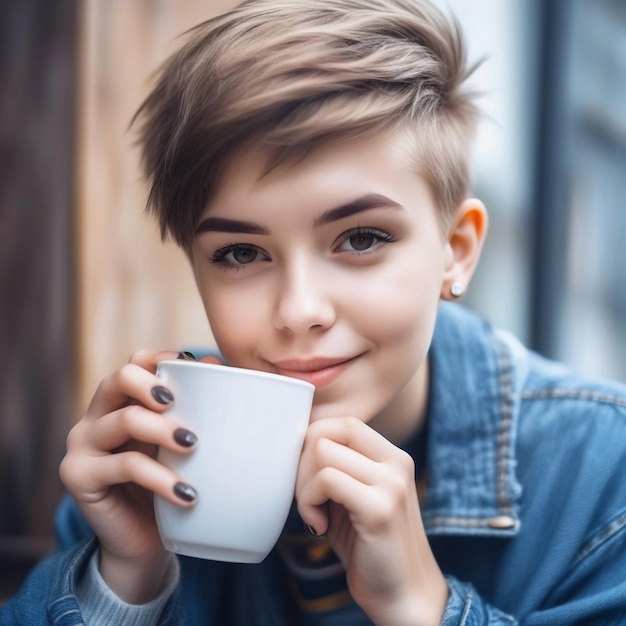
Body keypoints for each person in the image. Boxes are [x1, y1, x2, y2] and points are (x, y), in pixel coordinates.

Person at [3, 0, 626, 623]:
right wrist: (124, 583)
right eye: (241, 253)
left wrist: (421, 607)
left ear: (455, 252)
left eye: (361, 239)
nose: (300, 311)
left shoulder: (602, 472)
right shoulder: (149, 470)